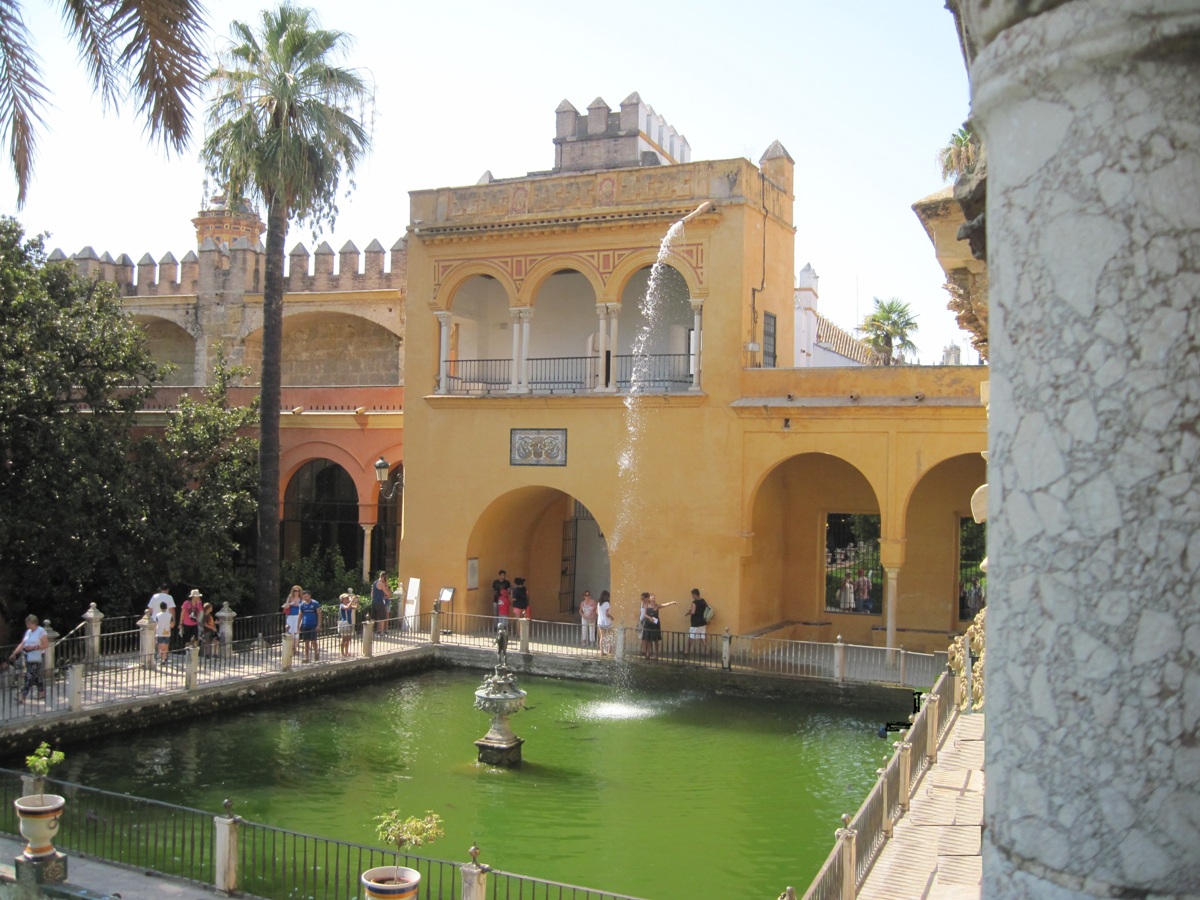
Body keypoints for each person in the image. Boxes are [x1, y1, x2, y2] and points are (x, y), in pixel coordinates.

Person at [9, 614, 48, 703]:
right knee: (35, 675)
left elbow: (46, 645)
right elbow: (23, 644)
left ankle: (22, 695)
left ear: (34, 623)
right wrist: (14, 653)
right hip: (28, 656)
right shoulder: (28, 632)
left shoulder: (41, 631)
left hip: (36, 656)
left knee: (29, 675)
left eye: (29, 624)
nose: (27, 625)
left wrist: (33, 648)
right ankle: (42, 692)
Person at [638, 593, 676, 660]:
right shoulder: (646, 605)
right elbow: (644, 614)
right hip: (648, 623)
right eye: (652, 597)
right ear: (649, 599)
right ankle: (648, 653)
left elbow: (664, 605)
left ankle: (656, 654)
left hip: (655, 624)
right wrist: (650, 618)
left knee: (656, 640)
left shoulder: (657, 606)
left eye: (654, 597)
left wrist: (671, 602)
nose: (653, 598)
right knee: (648, 639)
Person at [683, 588, 709, 655]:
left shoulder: (694, 603)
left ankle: (686, 651)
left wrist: (688, 613)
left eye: (692, 594)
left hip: (695, 623)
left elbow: (693, 612)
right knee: (702, 637)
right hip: (703, 622)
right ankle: (706, 651)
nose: (692, 596)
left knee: (691, 636)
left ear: (695, 594)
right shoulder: (703, 601)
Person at [298, 590, 321, 662]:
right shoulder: (302, 605)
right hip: (305, 624)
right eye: (304, 596)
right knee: (306, 641)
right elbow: (300, 615)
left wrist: (319, 625)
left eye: (306, 596)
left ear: (310, 596)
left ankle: (316, 653)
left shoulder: (315, 603)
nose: (305, 598)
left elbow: (319, 614)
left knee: (313, 640)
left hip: (313, 624)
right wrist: (298, 626)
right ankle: (306, 657)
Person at [338, 591, 359, 658]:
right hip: (344, 623)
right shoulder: (342, 605)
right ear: (343, 600)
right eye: (347, 598)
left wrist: (357, 600)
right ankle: (342, 652)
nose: (348, 599)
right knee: (344, 639)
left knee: (348, 639)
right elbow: (346, 608)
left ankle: (347, 651)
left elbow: (356, 607)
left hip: (349, 623)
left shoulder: (349, 605)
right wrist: (352, 600)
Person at [153, 601, 172, 665]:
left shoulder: (158, 615)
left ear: (160, 608)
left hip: (160, 632)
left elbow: (156, 624)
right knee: (166, 646)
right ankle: (165, 657)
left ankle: (162, 659)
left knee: (160, 646)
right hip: (167, 631)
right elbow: (171, 624)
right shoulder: (170, 615)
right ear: (166, 608)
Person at [596, 590, 614, 655]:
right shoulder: (607, 604)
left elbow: (597, 612)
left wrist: (601, 615)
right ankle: (609, 650)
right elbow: (607, 613)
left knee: (602, 637)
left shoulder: (599, 604)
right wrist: (611, 617)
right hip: (606, 622)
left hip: (600, 622)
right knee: (609, 635)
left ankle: (601, 651)